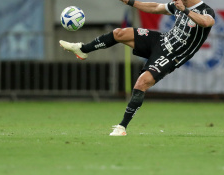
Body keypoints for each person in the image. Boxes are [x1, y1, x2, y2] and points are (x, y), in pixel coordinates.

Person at [59, 0, 216, 136]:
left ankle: (122, 127)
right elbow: (155, 7)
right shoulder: (177, 5)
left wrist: (185, 10)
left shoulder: (206, 11)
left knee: (142, 83)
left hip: (171, 55)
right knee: (119, 33)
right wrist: (130, 2)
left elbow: (206, 22)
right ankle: (82, 49)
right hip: (161, 41)